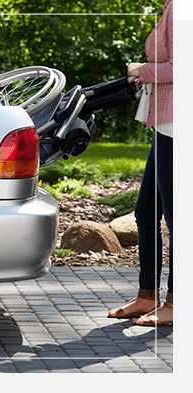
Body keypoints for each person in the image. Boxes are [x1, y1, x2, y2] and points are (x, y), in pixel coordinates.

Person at [108, 0, 173, 325]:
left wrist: (139, 70)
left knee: (177, 222)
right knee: (146, 213)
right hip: (165, 125)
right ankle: (148, 296)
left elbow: (181, 66)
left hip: (178, 128)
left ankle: (175, 304)